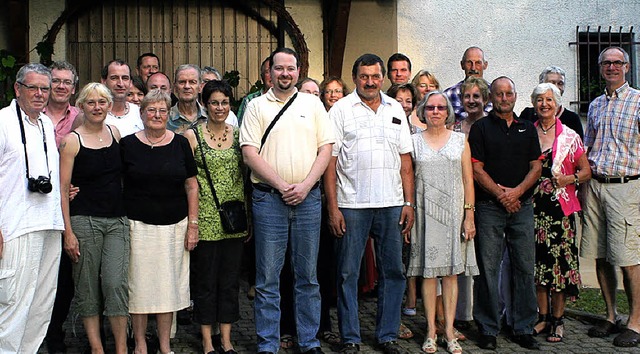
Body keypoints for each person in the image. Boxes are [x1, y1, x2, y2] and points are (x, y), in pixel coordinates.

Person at [240, 47, 334, 354]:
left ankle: (308, 342)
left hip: (308, 201)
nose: (285, 74)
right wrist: (283, 186)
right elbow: (249, 153)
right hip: (269, 200)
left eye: (290, 69)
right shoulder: (256, 106)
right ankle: (268, 344)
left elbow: (326, 148)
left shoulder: (313, 103)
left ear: (298, 70)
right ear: (270, 73)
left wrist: (306, 186)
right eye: (279, 69)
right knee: (267, 279)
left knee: (307, 277)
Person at [325, 53, 414, 354]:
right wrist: (333, 208)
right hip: (351, 204)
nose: (370, 81)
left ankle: (386, 334)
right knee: (347, 273)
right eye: (364, 76)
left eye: (375, 76)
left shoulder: (396, 110)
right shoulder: (340, 110)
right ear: (355, 78)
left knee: (393, 272)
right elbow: (330, 163)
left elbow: (405, 161)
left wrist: (409, 202)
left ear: (382, 78)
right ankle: (350, 337)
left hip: (391, 204)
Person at [121, 89, 199, 354]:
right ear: (141, 114)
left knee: (168, 288)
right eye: (151, 110)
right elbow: (113, 182)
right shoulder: (127, 145)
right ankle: (141, 343)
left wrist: (193, 224)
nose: (157, 115)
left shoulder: (180, 143)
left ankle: (165, 345)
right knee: (139, 287)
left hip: (174, 226)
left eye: (162, 110)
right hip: (137, 227)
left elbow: (191, 186)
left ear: (169, 114)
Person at [468, 76, 542, 350]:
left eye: (508, 93)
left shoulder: (527, 128)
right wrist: (502, 195)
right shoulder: (481, 128)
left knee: (524, 267)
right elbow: (476, 169)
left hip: (522, 207)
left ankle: (522, 327)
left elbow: (536, 167)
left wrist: (516, 193)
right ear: (491, 98)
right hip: (490, 208)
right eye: (498, 94)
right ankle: (487, 328)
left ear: (515, 96)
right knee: (487, 269)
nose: (504, 98)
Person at [58, 82, 129, 354]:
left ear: (109, 105)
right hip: (84, 221)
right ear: (81, 106)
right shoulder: (71, 141)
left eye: (102, 102)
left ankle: (121, 348)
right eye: (91, 102)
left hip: (117, 221)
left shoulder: (116, 133)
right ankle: (97, 349)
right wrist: (68, 232)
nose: (97, 107)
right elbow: (64, 190)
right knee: (87, 286)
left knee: (115, 284)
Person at [0, 63, 64, 353]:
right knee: (12, 305)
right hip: (15, 226)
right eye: (33, 87)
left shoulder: (46, 124)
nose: (39, 94)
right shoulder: (2, 122)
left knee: (41, 305)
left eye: (44, 88)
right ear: (17, 89)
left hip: (49, 224)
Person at [408, 91, 477, 354]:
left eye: (440, 107)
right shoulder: (414, 142)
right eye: (431, 107)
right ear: (423, 112)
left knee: (450, 275)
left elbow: (468, 180)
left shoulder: (460, 140)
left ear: (448, 112)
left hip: (453, 216)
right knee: (427, 273)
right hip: (424, 216)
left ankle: (449, 332)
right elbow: (408, 178)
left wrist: (469, 215)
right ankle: (430, 332)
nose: (435, 111)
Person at [581, 46, 640, 348]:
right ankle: (610, 315)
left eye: (618, 63)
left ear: (627, 68)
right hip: (596, 186)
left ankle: (636, 321)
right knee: (601, 254)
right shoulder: (595, 105)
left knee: (628, 257)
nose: (612, 68)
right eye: (607, 63)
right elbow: (587, 148)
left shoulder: (638, 101)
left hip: (625, 187)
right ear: (600, 67)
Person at [184, 80, 248, 354]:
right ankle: (208, 341)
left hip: (234, 219)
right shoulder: (191, 136)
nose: (219, 108)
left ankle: (227, 338)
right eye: (214, 102)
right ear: (204, 104)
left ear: (230, 105)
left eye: (224, 102)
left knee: (230, 280)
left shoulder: (238, 134)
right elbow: (187, 181)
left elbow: (246, 177)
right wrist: (192, 222)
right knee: (206, 281)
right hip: (206, 218)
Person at [529, 83, 590, 343]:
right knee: (539, 265)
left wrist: (569, 178)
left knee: (559, 267)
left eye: (549, 100)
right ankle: (542, 318)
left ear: (558, 104)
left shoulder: (570, 136)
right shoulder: (527, 132)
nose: (544, 104)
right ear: (533, 104)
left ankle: (558, 320)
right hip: (532, 209)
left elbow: (586, 171)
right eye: (540, 100)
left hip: (560, 211)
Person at [43, 60, 81, 354]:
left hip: (69, 207)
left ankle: (54, 332)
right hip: (37, 204)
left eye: (67, 82)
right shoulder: (31, 116)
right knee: (37, 272)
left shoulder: (81, 118)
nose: (61, 86)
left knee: (64, 278)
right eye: (56, 81)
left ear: (73, 87)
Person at [451, 76, 490, 334]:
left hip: (485, 199)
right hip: (460, 198)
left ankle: (485, 312)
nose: (472, 101)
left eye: (477, 96)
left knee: (485, 260)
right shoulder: (455, 128)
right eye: (467, 96)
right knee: (462, 258)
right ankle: (462, 313)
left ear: (484, 100)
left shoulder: (490, 127)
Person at [520, 66, 584, 138]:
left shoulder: (572, 119)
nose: (556, 87)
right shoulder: (528, 115)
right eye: (551, 83)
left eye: (560, 83)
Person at [444, 47, 492, 121]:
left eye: (478, 63)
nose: (473, 68)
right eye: (469, 63)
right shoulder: (448, 95)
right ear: (462, 65)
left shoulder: (495, 93)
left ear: (485, 65)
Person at [101, 59, 144, 137]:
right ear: (104, 81)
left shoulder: (140, 113)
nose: (120, 84)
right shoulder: (96, 113)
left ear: (130, 83)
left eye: (125, 78)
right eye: (114, 78)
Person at [237, 57, 273, 124]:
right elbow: (239, 128)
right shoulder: (250, 100)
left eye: (275, 71)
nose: (272, 76)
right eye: (268, 72)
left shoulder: (288, 100)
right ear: (262, 76)